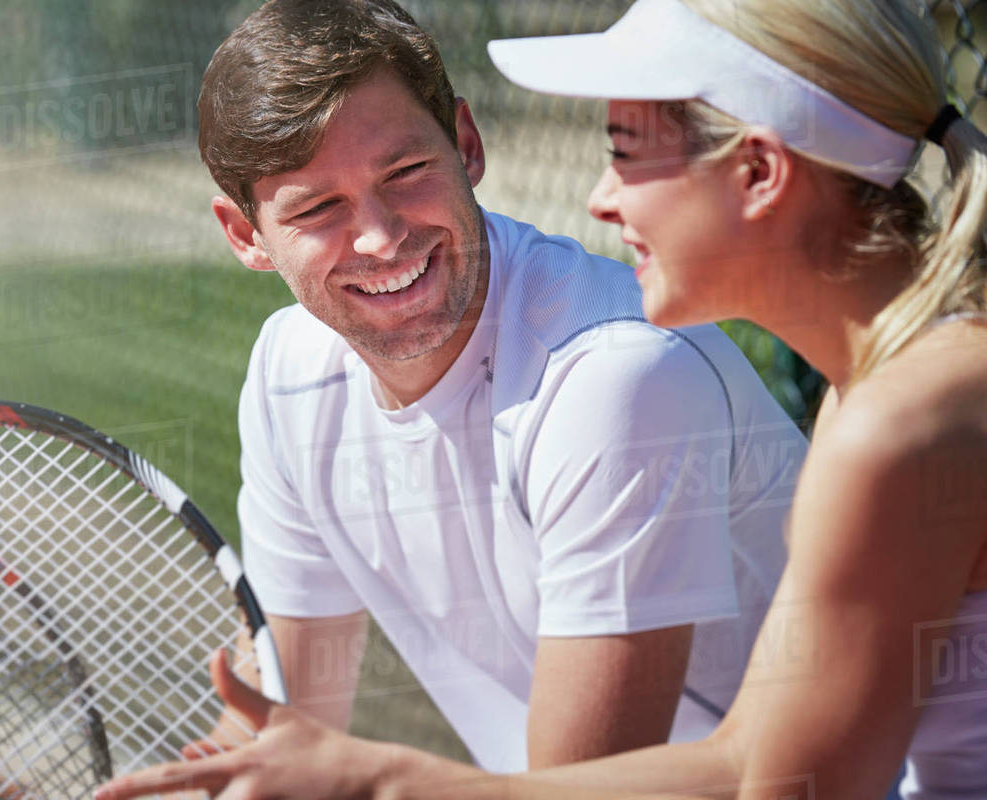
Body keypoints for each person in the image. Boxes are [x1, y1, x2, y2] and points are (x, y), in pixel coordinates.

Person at [93, 0, 987, 797]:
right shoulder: (877, 394)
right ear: (245, 236)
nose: (598, 201)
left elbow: (771, 779)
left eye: (626, 155)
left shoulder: (880, 416)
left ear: (758, 173)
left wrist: (382, 781)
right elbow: (760, 758)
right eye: (318, 206)